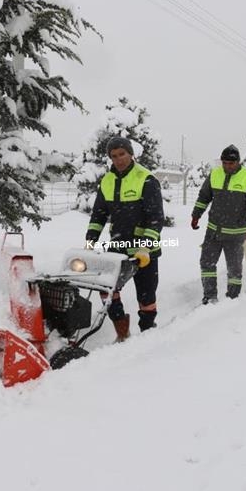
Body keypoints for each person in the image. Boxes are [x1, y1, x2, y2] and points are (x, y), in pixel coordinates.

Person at [85, 136, 165, 341]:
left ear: (131, 153)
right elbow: (99, 215)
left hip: (144, 251)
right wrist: (90, 241)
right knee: (107, 290)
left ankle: (147, 334)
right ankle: (122, 332)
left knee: (146, 298)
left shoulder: (146, 179)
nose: (119, 159)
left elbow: (156, 218)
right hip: (118, 248)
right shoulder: (107, 180)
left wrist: (145, 247)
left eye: (122, 154)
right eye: (114, 156)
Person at [191, 144, 246, 303]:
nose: (227, 166)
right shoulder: (215, 174)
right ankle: (210, 297)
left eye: (230, 163)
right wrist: (196, 215)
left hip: (236, 234)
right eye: (224, 163)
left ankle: (232, 298)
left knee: (234, 268)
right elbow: (204, 197)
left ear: (238, 162)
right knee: (206, 263)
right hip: (213, 231)